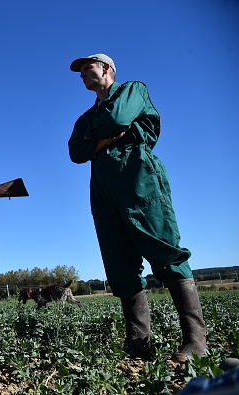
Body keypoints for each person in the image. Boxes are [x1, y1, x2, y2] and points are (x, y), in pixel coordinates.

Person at [67, 54, 206, 362]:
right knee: (118, 263)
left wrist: (96, 138)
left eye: (87, 69)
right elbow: (75, 151)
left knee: (165, 250)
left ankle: (196, 341)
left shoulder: (132, 91)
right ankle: (138, 344)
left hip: (139, 179)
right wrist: (105, 139)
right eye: (79, 73)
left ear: (106, 69)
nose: (82, 76)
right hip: (102, 190)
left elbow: (117, 119)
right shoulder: (84, 119)